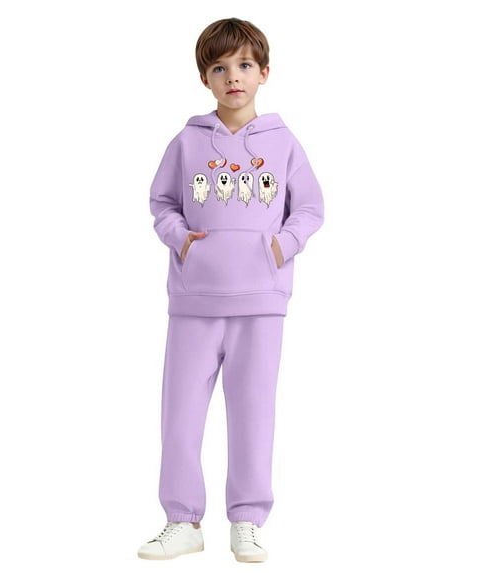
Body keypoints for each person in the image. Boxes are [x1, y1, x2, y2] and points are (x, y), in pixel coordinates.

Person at [137, 17, 324, 562]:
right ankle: (182, 521)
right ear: (206, 79)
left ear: (264, 72)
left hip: (261, 302)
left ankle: (246, 520)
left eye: (244, 65)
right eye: (219, 68)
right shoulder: (187, 141)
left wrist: (280, 247)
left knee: (253, 413)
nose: (233, 77)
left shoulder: (283, 142)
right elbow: (162, 203)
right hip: (194, 301)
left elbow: (310, 207)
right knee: (180, 414)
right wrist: (182, 241)